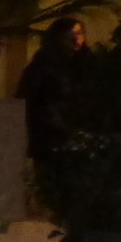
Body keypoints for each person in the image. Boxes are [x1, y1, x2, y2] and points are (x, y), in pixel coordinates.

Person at [16, 17, 92, 163]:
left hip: (80, 137)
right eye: (69, 37)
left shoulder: (86, 65)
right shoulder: (42, 66)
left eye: (79, 34)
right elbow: (26, 99)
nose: (76, 41)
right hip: (50, 139)